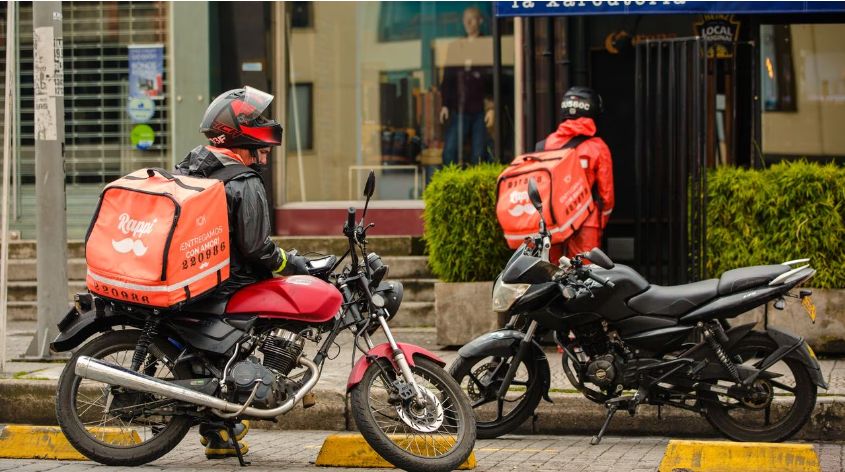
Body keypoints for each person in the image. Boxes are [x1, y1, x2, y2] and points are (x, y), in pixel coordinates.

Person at [175, 86, 311, 459]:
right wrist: (294, 265)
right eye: (262, 151)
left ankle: (218, 428)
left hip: (194, 282)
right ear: (241, 136)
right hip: (228, 286)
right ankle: (238, 403)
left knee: (212, 355)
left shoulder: (192, 165)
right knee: (268, 314)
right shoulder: (244, 180)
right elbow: (257, 248)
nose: (264, 160)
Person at [535, 86, 615, 263]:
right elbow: (607, 198)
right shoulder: (598, 147)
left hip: (553, 224)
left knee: (552, 275)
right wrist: (599, 223)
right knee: (585, 278)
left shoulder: (545, 145)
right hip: (587, 224)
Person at [439, 6, 494, 167]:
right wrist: (445, 104)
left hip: (480, 109)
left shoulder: (488, 45)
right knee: (449, 151)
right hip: (459, 107)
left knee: (479, 154)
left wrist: (492, 106)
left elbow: (493, 78)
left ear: (480, 21)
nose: (468, 22)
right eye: (465, 19)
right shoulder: (457, 46)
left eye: (472, 18)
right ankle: (451, 186)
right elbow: (448, 77)